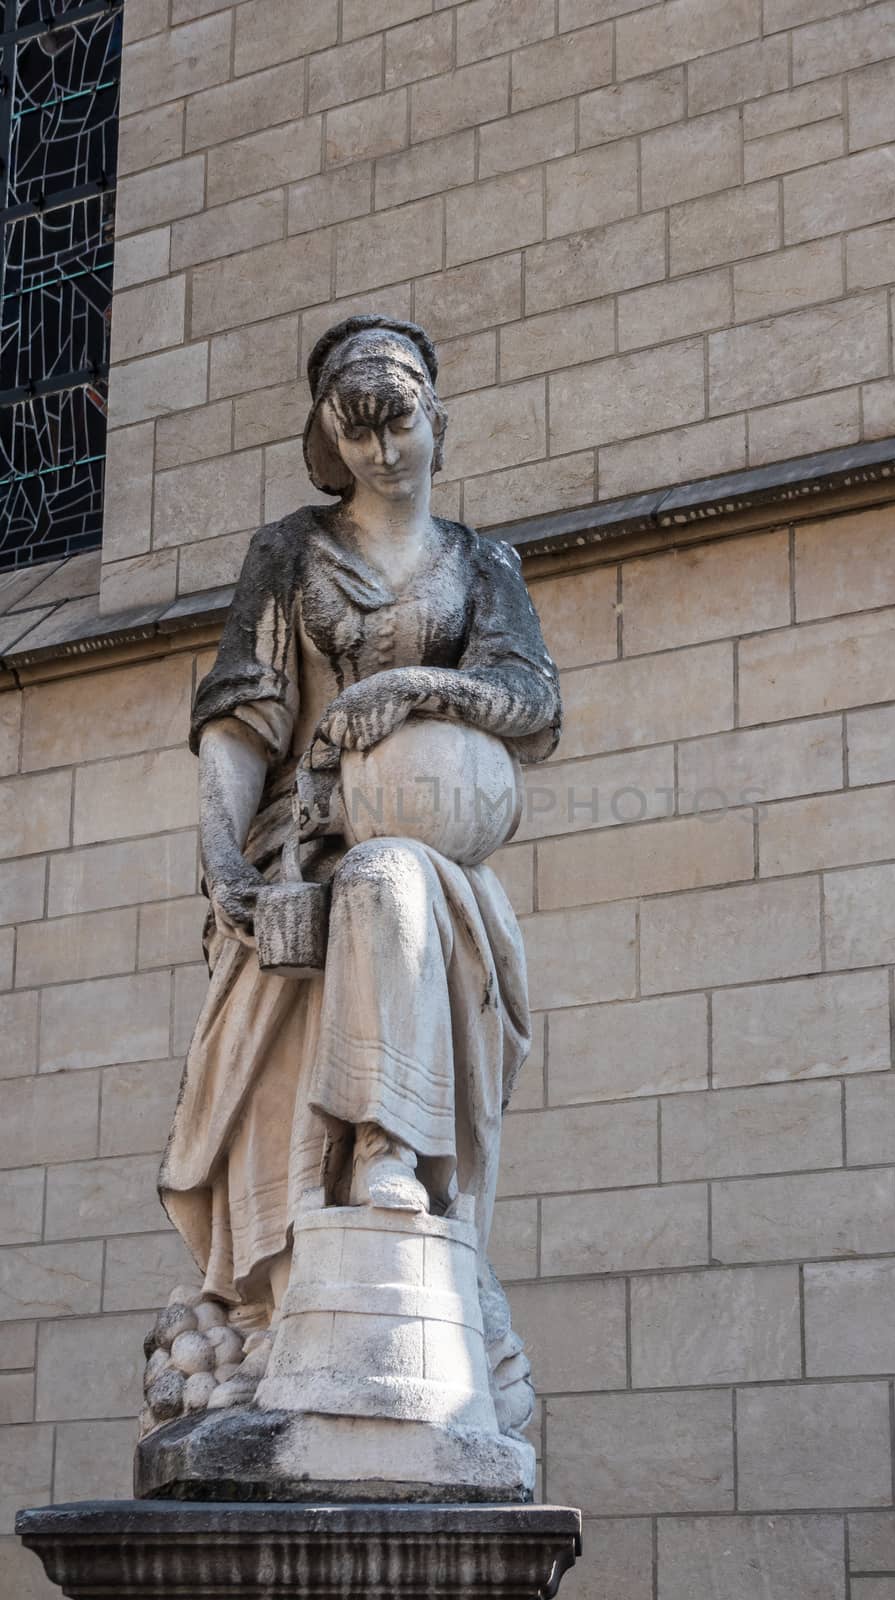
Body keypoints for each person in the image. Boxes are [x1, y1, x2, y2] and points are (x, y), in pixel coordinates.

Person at [159, 317, 561, 1395]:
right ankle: (270, 1304)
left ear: (437, 420)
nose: (385, 452)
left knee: (387, 883)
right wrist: (222, 866)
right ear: (332, 437)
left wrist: (409, 690)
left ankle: (390, 1147)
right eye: (359, 431)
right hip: (295, 846)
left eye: (401, 425)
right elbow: (241, 721)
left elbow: (532, 702)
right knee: (341, 904)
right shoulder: (289, 554)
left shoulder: (480, 564)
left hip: (429, 847)